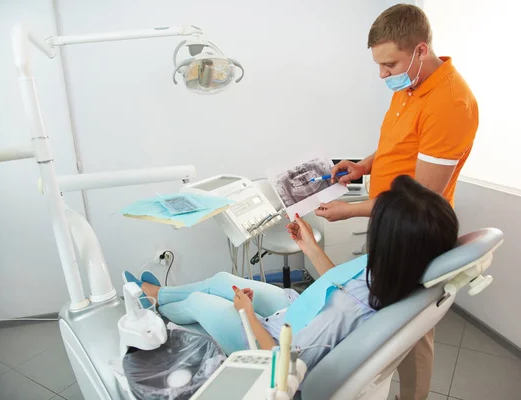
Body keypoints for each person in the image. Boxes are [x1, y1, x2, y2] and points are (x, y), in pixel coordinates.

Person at [123, 175, 459, 375]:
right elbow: (339, 285)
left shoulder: (343, 317)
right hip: (297, 309)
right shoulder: (390, 270)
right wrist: (309, 246)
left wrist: (248, 315)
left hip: (266, 342)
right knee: (222, 280)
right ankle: (157, 295)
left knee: (199, 300)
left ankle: (155, 304)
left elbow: (281, 362)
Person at [315, 4, 479, 400]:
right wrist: (363, 166)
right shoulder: (410, 86)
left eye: (389, 64)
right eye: (379, 64)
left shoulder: (449, 104)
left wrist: (349, 210)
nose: (382, 74)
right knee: (383, 319)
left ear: (421, 50)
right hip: (387, 221)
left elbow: (418, 200)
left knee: (411, 330)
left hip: (413, 230)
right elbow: (397, 144)